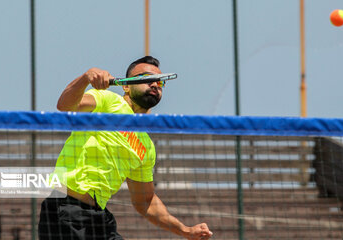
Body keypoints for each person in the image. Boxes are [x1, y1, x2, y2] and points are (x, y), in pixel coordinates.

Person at [38, 56, 213, 240]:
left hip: (99, 219)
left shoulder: (146, 146)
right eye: (146, 78)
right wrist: (85, 78)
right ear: (126, 86)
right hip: (66, 210)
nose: (155, 84)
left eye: (160, 82)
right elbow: (65, 106)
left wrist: (185, 230)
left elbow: (146, 202)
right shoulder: (107, 101)